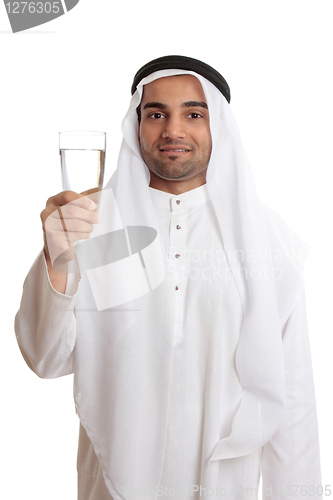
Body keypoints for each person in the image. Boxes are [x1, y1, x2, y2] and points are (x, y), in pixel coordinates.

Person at [15, 56, 322, 500]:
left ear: (219, 128)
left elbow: (292, 401)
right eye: (156, 114)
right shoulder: (90, 223)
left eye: (193, 114)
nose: (173, 130)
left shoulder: (267, 241)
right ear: (136, 126)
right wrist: (58, 257)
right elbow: (45, 360)